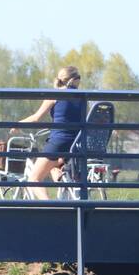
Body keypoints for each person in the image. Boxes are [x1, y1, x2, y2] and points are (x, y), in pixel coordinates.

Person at [16, 66, 84, 200]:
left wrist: (16, 125)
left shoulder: (54, 95)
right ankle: (60, 178)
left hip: (58, 143)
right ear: (74, 80)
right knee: (54, 165)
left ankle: (49, 205)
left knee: (33, 179)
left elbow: (36, 118)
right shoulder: (82, 98)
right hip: (76, 144)